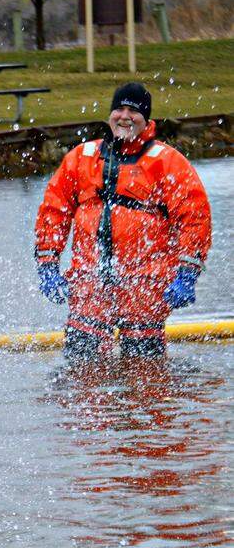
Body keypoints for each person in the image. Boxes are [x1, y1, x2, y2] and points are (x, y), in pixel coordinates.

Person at [34, 82, 212, 359]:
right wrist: (47, 264)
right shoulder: (81, 158)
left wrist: (187, 272)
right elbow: (53, 211)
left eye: (133, 110)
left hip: (145, 285)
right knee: (80, 372)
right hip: (89, 284)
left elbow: (194, 218)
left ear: (147, 120)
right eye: (119, 109)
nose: (125, 116)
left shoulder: (167, 162)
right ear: (110, 115)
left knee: (146, 376)